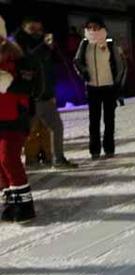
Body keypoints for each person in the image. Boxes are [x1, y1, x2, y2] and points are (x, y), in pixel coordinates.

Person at [14, 16, 77, 168]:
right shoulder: (18, 44)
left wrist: (51, 91)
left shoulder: (44, 45)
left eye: (39, 29)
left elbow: (50, 70)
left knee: (56, 127)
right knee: (23, 134)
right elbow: (29, 60)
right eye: (32, 29)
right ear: (24, 29)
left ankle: (58, 159)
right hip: (30, 98)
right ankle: (13, 163)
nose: (37, 32)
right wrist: (45, 46)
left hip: (46, 96)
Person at [73, 15, 126, 160]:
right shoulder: (85, 43)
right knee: (94, 121)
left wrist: (117, 83)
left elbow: (120, 65)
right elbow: (77, 61)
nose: (92, 29)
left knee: (109, 120)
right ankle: (94, 150)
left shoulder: (109, 42)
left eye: (95, 26)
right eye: (89, 27)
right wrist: (83, 73)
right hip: (92, 88)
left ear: (102, 27)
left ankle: (109, 149)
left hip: (108, 87)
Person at [0, 16, 36, 223]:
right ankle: (10, 201)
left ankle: (24, 205)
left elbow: (29, 86)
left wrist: (7, 83)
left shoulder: (18, 56)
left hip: (14, 117)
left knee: (8, 158)